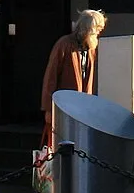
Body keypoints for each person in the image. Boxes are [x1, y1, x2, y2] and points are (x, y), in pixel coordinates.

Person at [39, 8, 105, 150]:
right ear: (88, 28)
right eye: (97, 28)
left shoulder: (91, 48)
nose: (99, 32)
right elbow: (51, 77)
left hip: (83, 105)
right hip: (65, 105)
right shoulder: (64, 44)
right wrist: (48, 109)